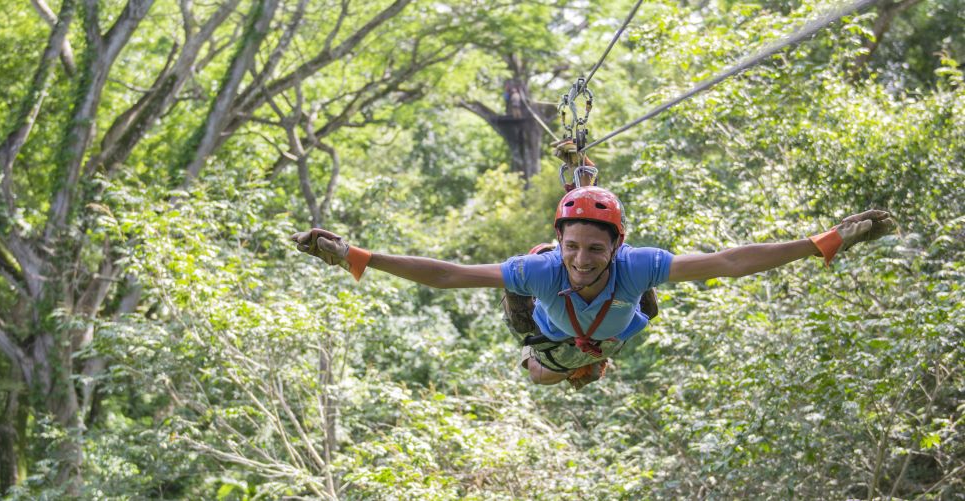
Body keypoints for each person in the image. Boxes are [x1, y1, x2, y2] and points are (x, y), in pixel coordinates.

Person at [291, 187, 895, 389]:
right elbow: (450, 274)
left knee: (633, 308)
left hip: (615, 326)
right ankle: (577, 361)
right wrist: (358, 257)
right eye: (572, 247)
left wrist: (823, 242)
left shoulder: (637, 264)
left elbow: (730, 262)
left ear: (616, 247)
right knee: (538, 375)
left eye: (595, 249)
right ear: (561, 244)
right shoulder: (545, 269)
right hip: (552, 335)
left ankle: (590, 359)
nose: (581, 259)